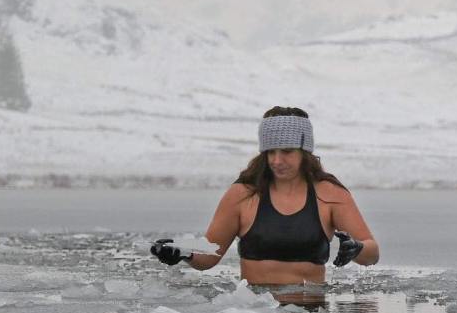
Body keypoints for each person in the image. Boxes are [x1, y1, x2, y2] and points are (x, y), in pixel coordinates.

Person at [150, 107, 379, 288]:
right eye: (271, 151)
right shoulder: (242, 194)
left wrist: (357, 248)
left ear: (305, 152)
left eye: (287, 151)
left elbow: (372, 253)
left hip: (311, 312)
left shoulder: (330, 194)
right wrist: (183, 252)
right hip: (254, 310)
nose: (277, 160)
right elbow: (209, 257)